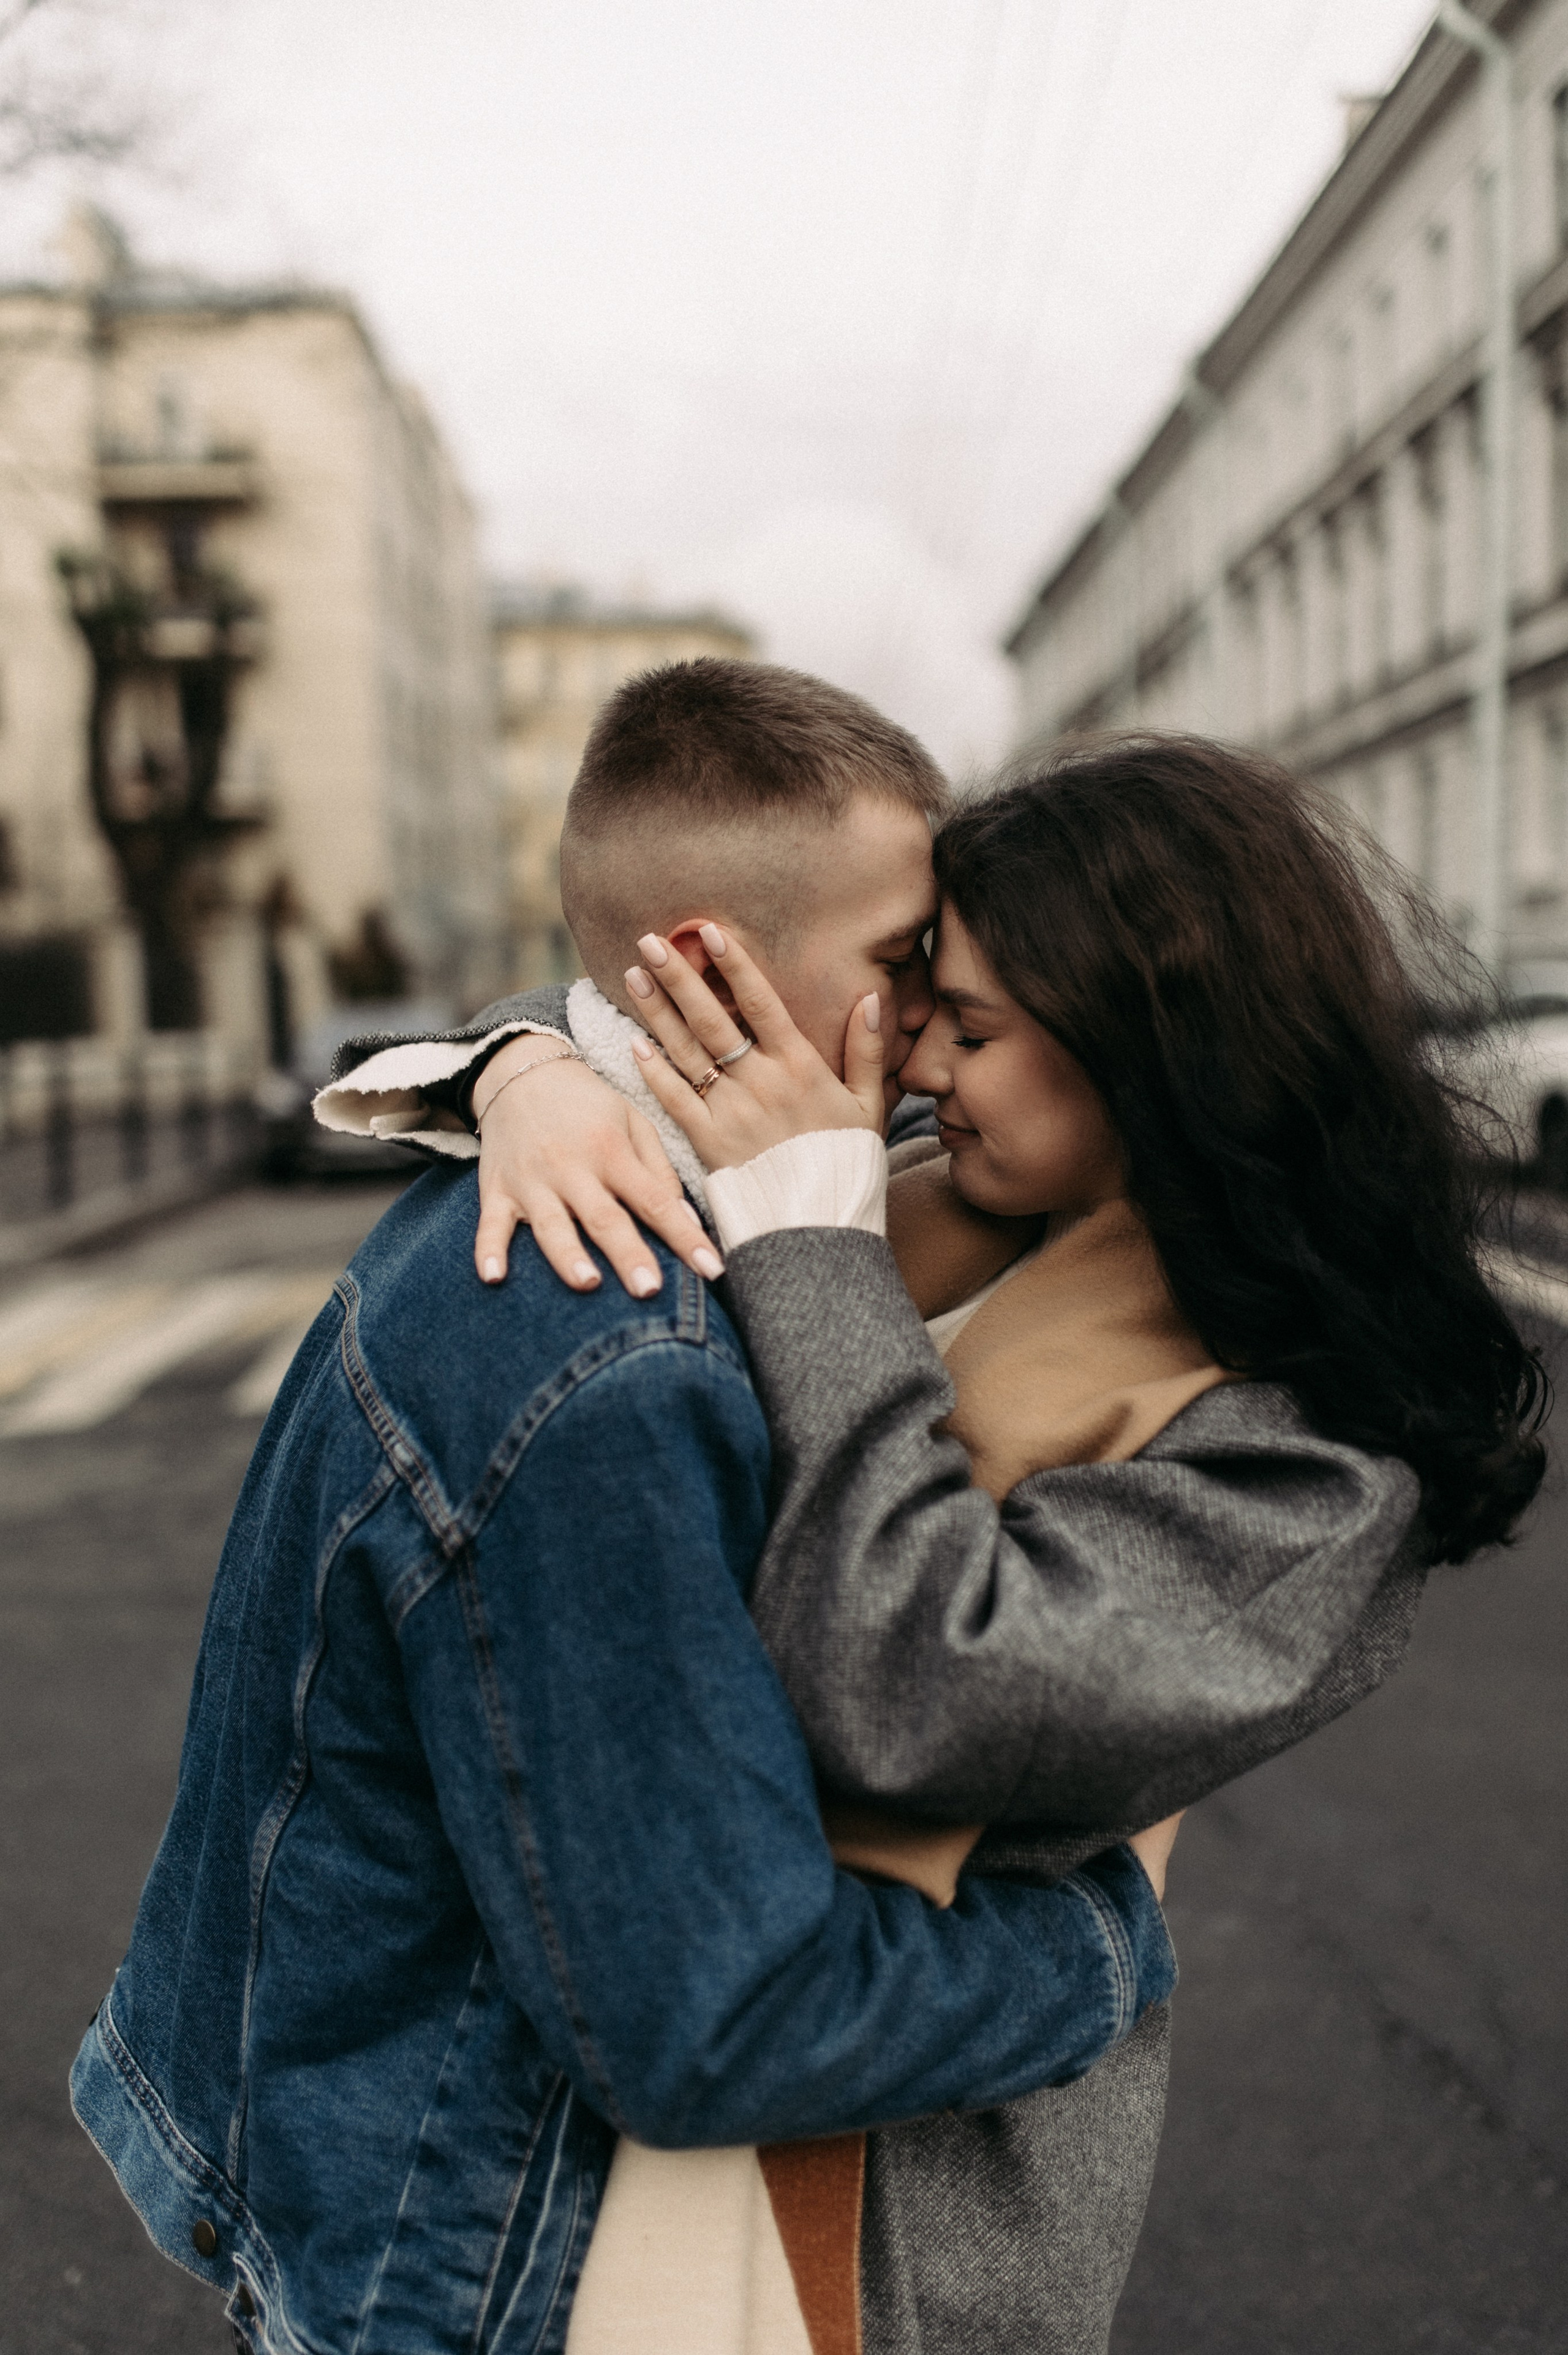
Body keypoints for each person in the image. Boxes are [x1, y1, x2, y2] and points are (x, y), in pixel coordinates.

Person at [316, 675, 1543, 2353]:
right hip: (623, 2059)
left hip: (909, 2177)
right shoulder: (956, 1190)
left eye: (968, 1024)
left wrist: (813, 1255)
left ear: (1146, 1045)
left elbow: (919, 1689)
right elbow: (674, 970)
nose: (912, 1059)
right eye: (924, 1001)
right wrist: (537, 1065)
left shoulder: (1312, 1464)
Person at [70, 665, 1182, 2355]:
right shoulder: (614, 1344)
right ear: (698, 970)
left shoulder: (562, 1163)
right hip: (450, 2258)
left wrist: (521, 1060)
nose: (934, 1019)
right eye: (903, 964)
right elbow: (709, 2022)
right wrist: (1100, 1949)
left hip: (323, 2141)